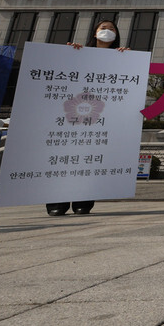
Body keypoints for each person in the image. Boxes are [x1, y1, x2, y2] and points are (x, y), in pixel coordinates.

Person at [46, 20, 128, 216]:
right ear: (94, 33)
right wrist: (69, 54)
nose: (107, 31)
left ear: (117, 35)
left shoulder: (122, 56)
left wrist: (128, 59)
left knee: (90, 158)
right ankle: (57, 201)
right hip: (72, 113)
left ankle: (83, 200)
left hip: (100, 116)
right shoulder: (78, 52)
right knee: (64, 157)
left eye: (111, 29)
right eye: (103, 28)